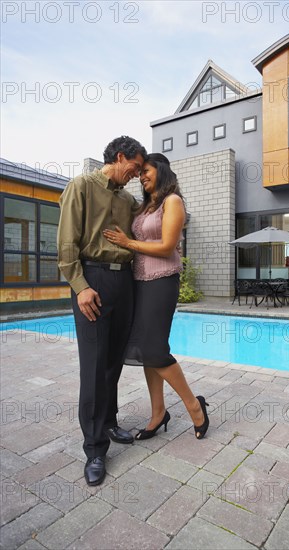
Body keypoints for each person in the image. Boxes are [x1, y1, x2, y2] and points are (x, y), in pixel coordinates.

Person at [57, 135, 147, 486]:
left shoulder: (127, 200)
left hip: (123, 282)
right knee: (94, 366)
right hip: (91, 279)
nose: (137, 175)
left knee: (112, 361)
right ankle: (95, 450)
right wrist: (80, 287)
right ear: (120, 157)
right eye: (135, 168)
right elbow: (67, 243)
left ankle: (108, 422)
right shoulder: (80, 186)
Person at [103, 153, 209, 441]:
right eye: (139, 173)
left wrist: (128, 242)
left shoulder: (172, 201)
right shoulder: (145, 206)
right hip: (138, 283)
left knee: (154, 349)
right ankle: (158, 413)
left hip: (162, 281)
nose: (142, 176)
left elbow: (167, 246)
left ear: (161, 171)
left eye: (146, 171)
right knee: (147, 351)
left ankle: (193, 406)